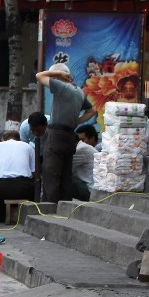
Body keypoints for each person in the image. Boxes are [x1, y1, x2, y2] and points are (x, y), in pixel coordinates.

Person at [35, 62, 96, 203]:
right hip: (70, 136)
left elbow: (39, 76)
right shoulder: (79, 91)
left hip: (56, 135)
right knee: (65, 176)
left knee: (51, 174)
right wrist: (77, 121)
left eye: (55, 76)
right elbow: (92, 111)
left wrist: (58, 74)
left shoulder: (61, 86)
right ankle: (64, 207)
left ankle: (49, 209)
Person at [0, 130, 35, 222]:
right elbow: (33, 171)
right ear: (19, 139)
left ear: (3, 139)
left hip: (0, 190)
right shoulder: (28, 147)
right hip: (24, 189)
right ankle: (31, 214)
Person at [72, 126, 98, 201]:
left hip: (89, 190)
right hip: (91, 187)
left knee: (64, 177)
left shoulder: (81, 148)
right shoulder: (83, 147)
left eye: (83, 139)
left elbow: (67, 169)